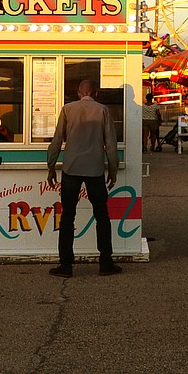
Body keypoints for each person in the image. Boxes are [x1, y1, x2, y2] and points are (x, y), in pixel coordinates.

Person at [46, 80, 120, 278]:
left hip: (71, 168)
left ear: (79, 93)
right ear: (95, 93)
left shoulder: (67, 109)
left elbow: (56, 140)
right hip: (95, 169)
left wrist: (51, 166)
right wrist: (113, 170)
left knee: (68, 217)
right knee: (102, 216)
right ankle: (105, 262)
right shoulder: (103, 110)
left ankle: (66, 265)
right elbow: (111, 144)